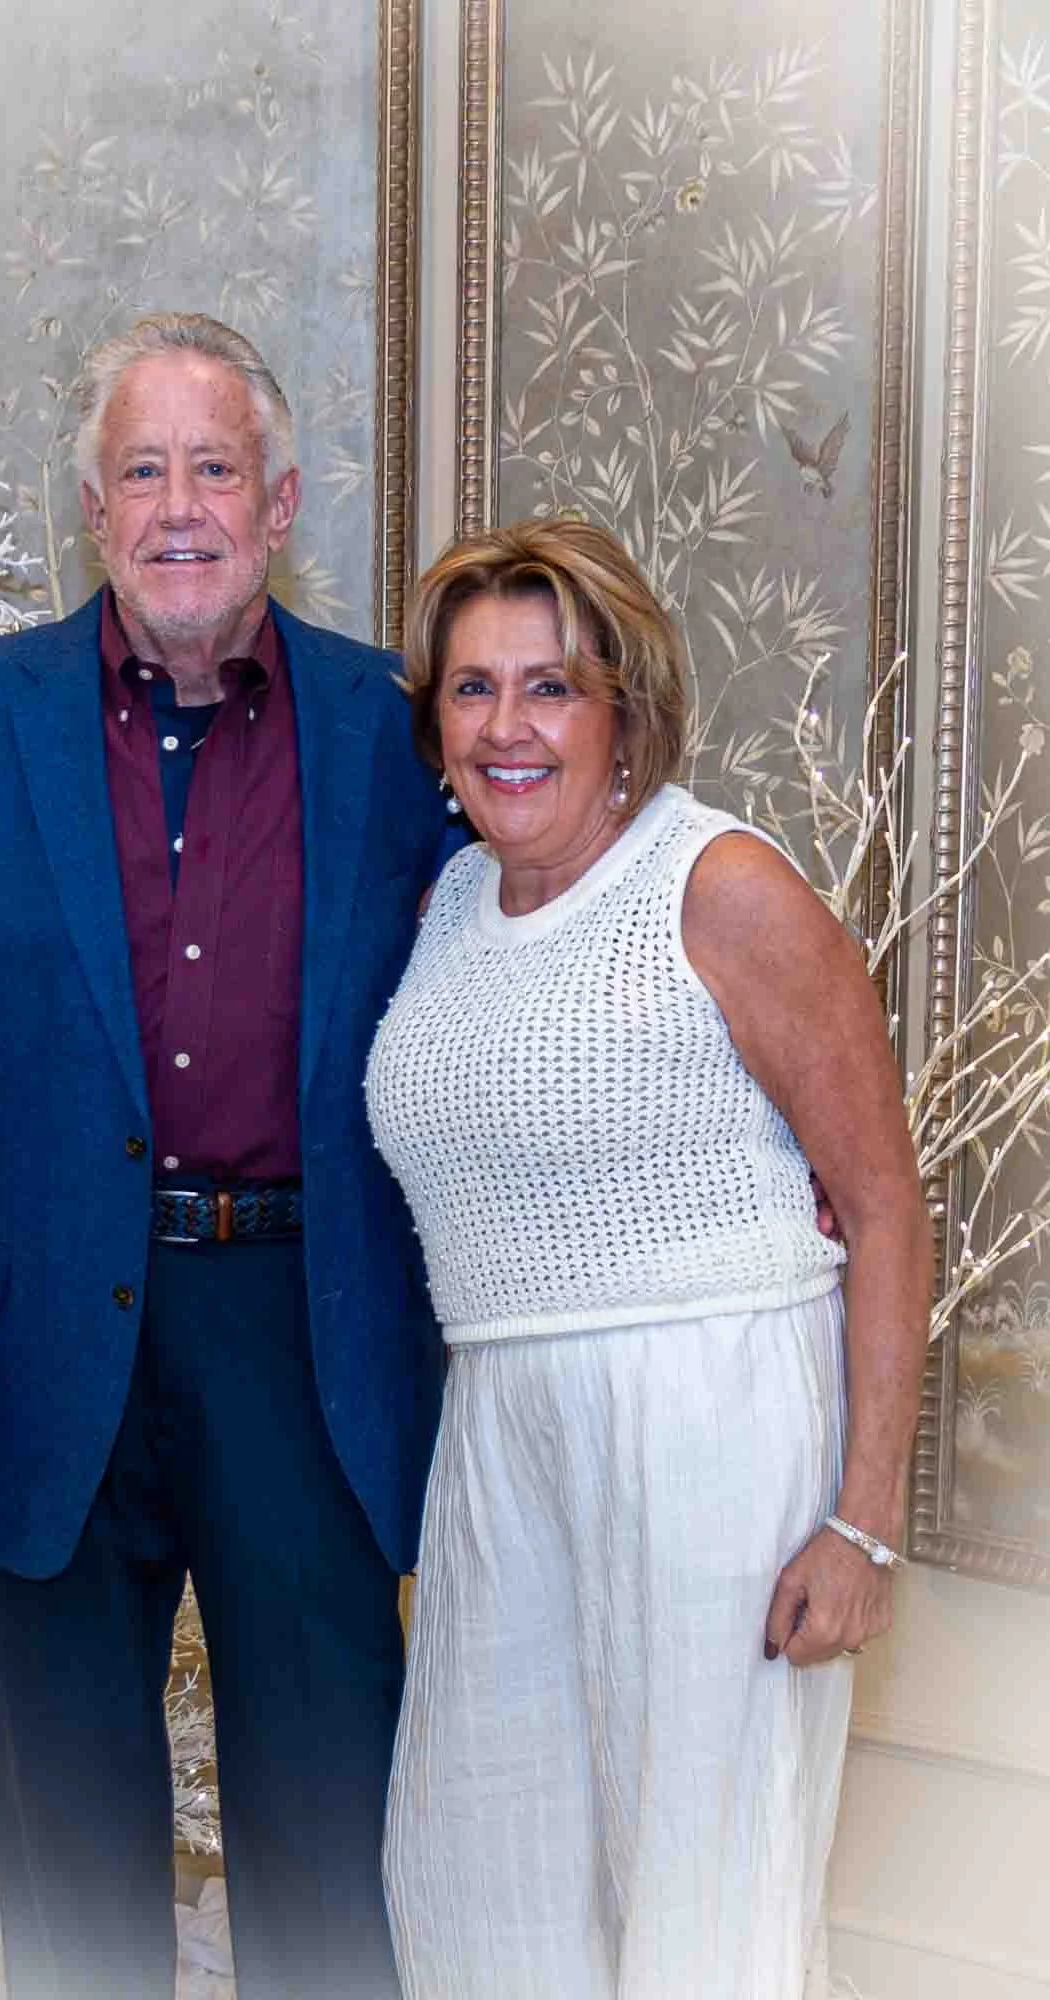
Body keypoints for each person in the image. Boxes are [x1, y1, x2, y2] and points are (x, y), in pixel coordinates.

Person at [0, 314, 455, 1999]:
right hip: (41, 1364)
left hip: (305, 1339)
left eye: (217, 467)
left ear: (284, 498)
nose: (183, 506)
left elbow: (542, 954)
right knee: (77, 1874)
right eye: (145, 470)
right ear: (95, 508)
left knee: (333, 1854)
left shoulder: (402, 732)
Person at [365, 519, 932, 2000]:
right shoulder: (447, 912)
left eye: (549, 687)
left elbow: (882, 1207)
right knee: (478, 1886)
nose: (508, 727)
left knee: (702, 1911)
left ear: (625, 706)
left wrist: (863, 1527)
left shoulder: (720, 887)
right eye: (473, 689)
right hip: (496, 1433)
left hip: (714, 1418)